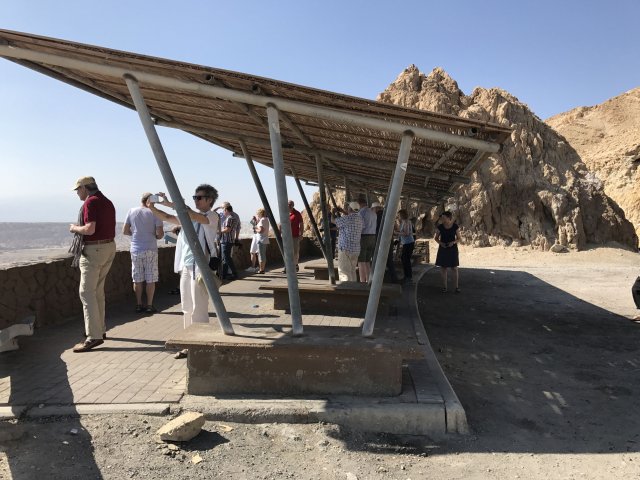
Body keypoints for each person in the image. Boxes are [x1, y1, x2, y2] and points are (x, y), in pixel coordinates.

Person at [147, 184, 220, 359]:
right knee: (186, 307)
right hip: (186, 266)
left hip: (200, 266)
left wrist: (169, 203)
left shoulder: (211, 216)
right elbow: (167, 217)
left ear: (209, 200)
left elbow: (190, 213)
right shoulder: (189, 218)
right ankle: (189, 344)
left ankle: (201, 346)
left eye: (199, 197)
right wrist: (152, 207)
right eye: (195, 197)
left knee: (198, 308)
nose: (196, 200)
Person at [69, 176, 116, 353]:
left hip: (94, 250)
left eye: (78, 190)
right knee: (97, 291)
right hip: (108, 247)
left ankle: (93, 336)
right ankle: (99, 329)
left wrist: (74, 228)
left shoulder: (91, 202)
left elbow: (90, 229)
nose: (77, 193)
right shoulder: (107, 202)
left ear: (85, 188)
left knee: (86, 293)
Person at [123, 192, 164, 313]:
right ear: (150, 201)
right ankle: (149, 305)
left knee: (137, 278)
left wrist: (136, 235)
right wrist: (154, 236)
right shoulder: (155, 213)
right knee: (151, 279)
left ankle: (138, 304)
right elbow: (160, 234)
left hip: (136, 249)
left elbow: (125, 231)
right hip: (150, 249)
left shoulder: (131, 211)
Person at [334, 202, 364, 282]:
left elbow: (334, 221)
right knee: (352, 271)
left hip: (345, 249)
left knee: (344, 272)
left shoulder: (347, 218)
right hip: (355, 249)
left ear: (349, 209)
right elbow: (351, 217)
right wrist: (343, 212)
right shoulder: (360, 219)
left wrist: (333, 212)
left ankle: (345, 288)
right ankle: (353, 287)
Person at [434, 211, 461, 293]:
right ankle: (444, 287)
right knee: (443, 268)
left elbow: (459, 238)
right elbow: (436, 238)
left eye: (444, 217)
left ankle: (456, 287)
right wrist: (441, 243)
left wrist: (453, 242)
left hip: (453, 249)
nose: (442, 219)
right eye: (442, 218)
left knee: (454, 268)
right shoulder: (440, 227)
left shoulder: (455, 226)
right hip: (443, 248)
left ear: (449, 218)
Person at [372, 202, 398, 283]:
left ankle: (380, 280)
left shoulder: (377, 216)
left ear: (376, 208)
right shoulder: (388, 215)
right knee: (389, 260)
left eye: (373, 209)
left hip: (380, 240)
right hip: (389, 239)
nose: (372, 210)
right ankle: (393, 279)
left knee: (379, 260)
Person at [357, 196, 377, 282]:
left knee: (361, 261)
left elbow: (360, 226)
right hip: (373, 237)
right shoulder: (373, 212)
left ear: (359, 204)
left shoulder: (361, 213)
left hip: (364, 237)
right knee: (367, 261)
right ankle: (369, 280)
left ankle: (362, 281)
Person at [218, 204, 239, 281]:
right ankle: (224, 274)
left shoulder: (229, 218)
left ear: (226, 210)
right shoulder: (233, 217)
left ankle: (234, 273)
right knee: (225, 258)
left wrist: (219, 231)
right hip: (228, 240)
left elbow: (227, 229)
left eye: (224, 211)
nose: (223, 212)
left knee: (227, 258)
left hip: (226, 240)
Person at [395, 209, 415, 284]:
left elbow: (406, 233)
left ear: (402, 215)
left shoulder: (406, 222)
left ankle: (408, 277)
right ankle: (406, 276)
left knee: (405, 260)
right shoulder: (403, 222)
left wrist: (397, 233)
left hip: (409, 243)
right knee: (404, 259)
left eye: (399, 215)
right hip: (406, 243)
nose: (398, 216)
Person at [287, 200, 304, 272]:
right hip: (286, 236)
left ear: (293, 205)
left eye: (290, 204)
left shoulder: (297, 213)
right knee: (287, 252)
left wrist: (301, 234)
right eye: (288, 204)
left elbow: (301, 224)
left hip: (295, 236)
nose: (289, 206)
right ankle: (287, 266)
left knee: (295, 251)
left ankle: (296, 264)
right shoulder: (285, 213)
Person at [253, 208, 270, 274]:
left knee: (260, 255)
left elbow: (261, 230)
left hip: (261, 239)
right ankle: (262, 269)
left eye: (257, 213)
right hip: (264, 239)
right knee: (262, 254)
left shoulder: (262, 220)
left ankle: (261, 269)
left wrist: (255, 229)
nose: (257, 215)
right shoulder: (266, 219)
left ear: (260, 213)